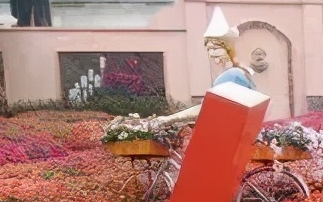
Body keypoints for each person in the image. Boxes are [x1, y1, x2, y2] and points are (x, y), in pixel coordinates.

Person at [105, 8, 259, 138]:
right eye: (209, 49)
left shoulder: (231, 76)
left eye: (216, 48)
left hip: (228, 136)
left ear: (227, 48)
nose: (212, 54)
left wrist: (169, 119)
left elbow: (207, 108)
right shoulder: (238, 73)